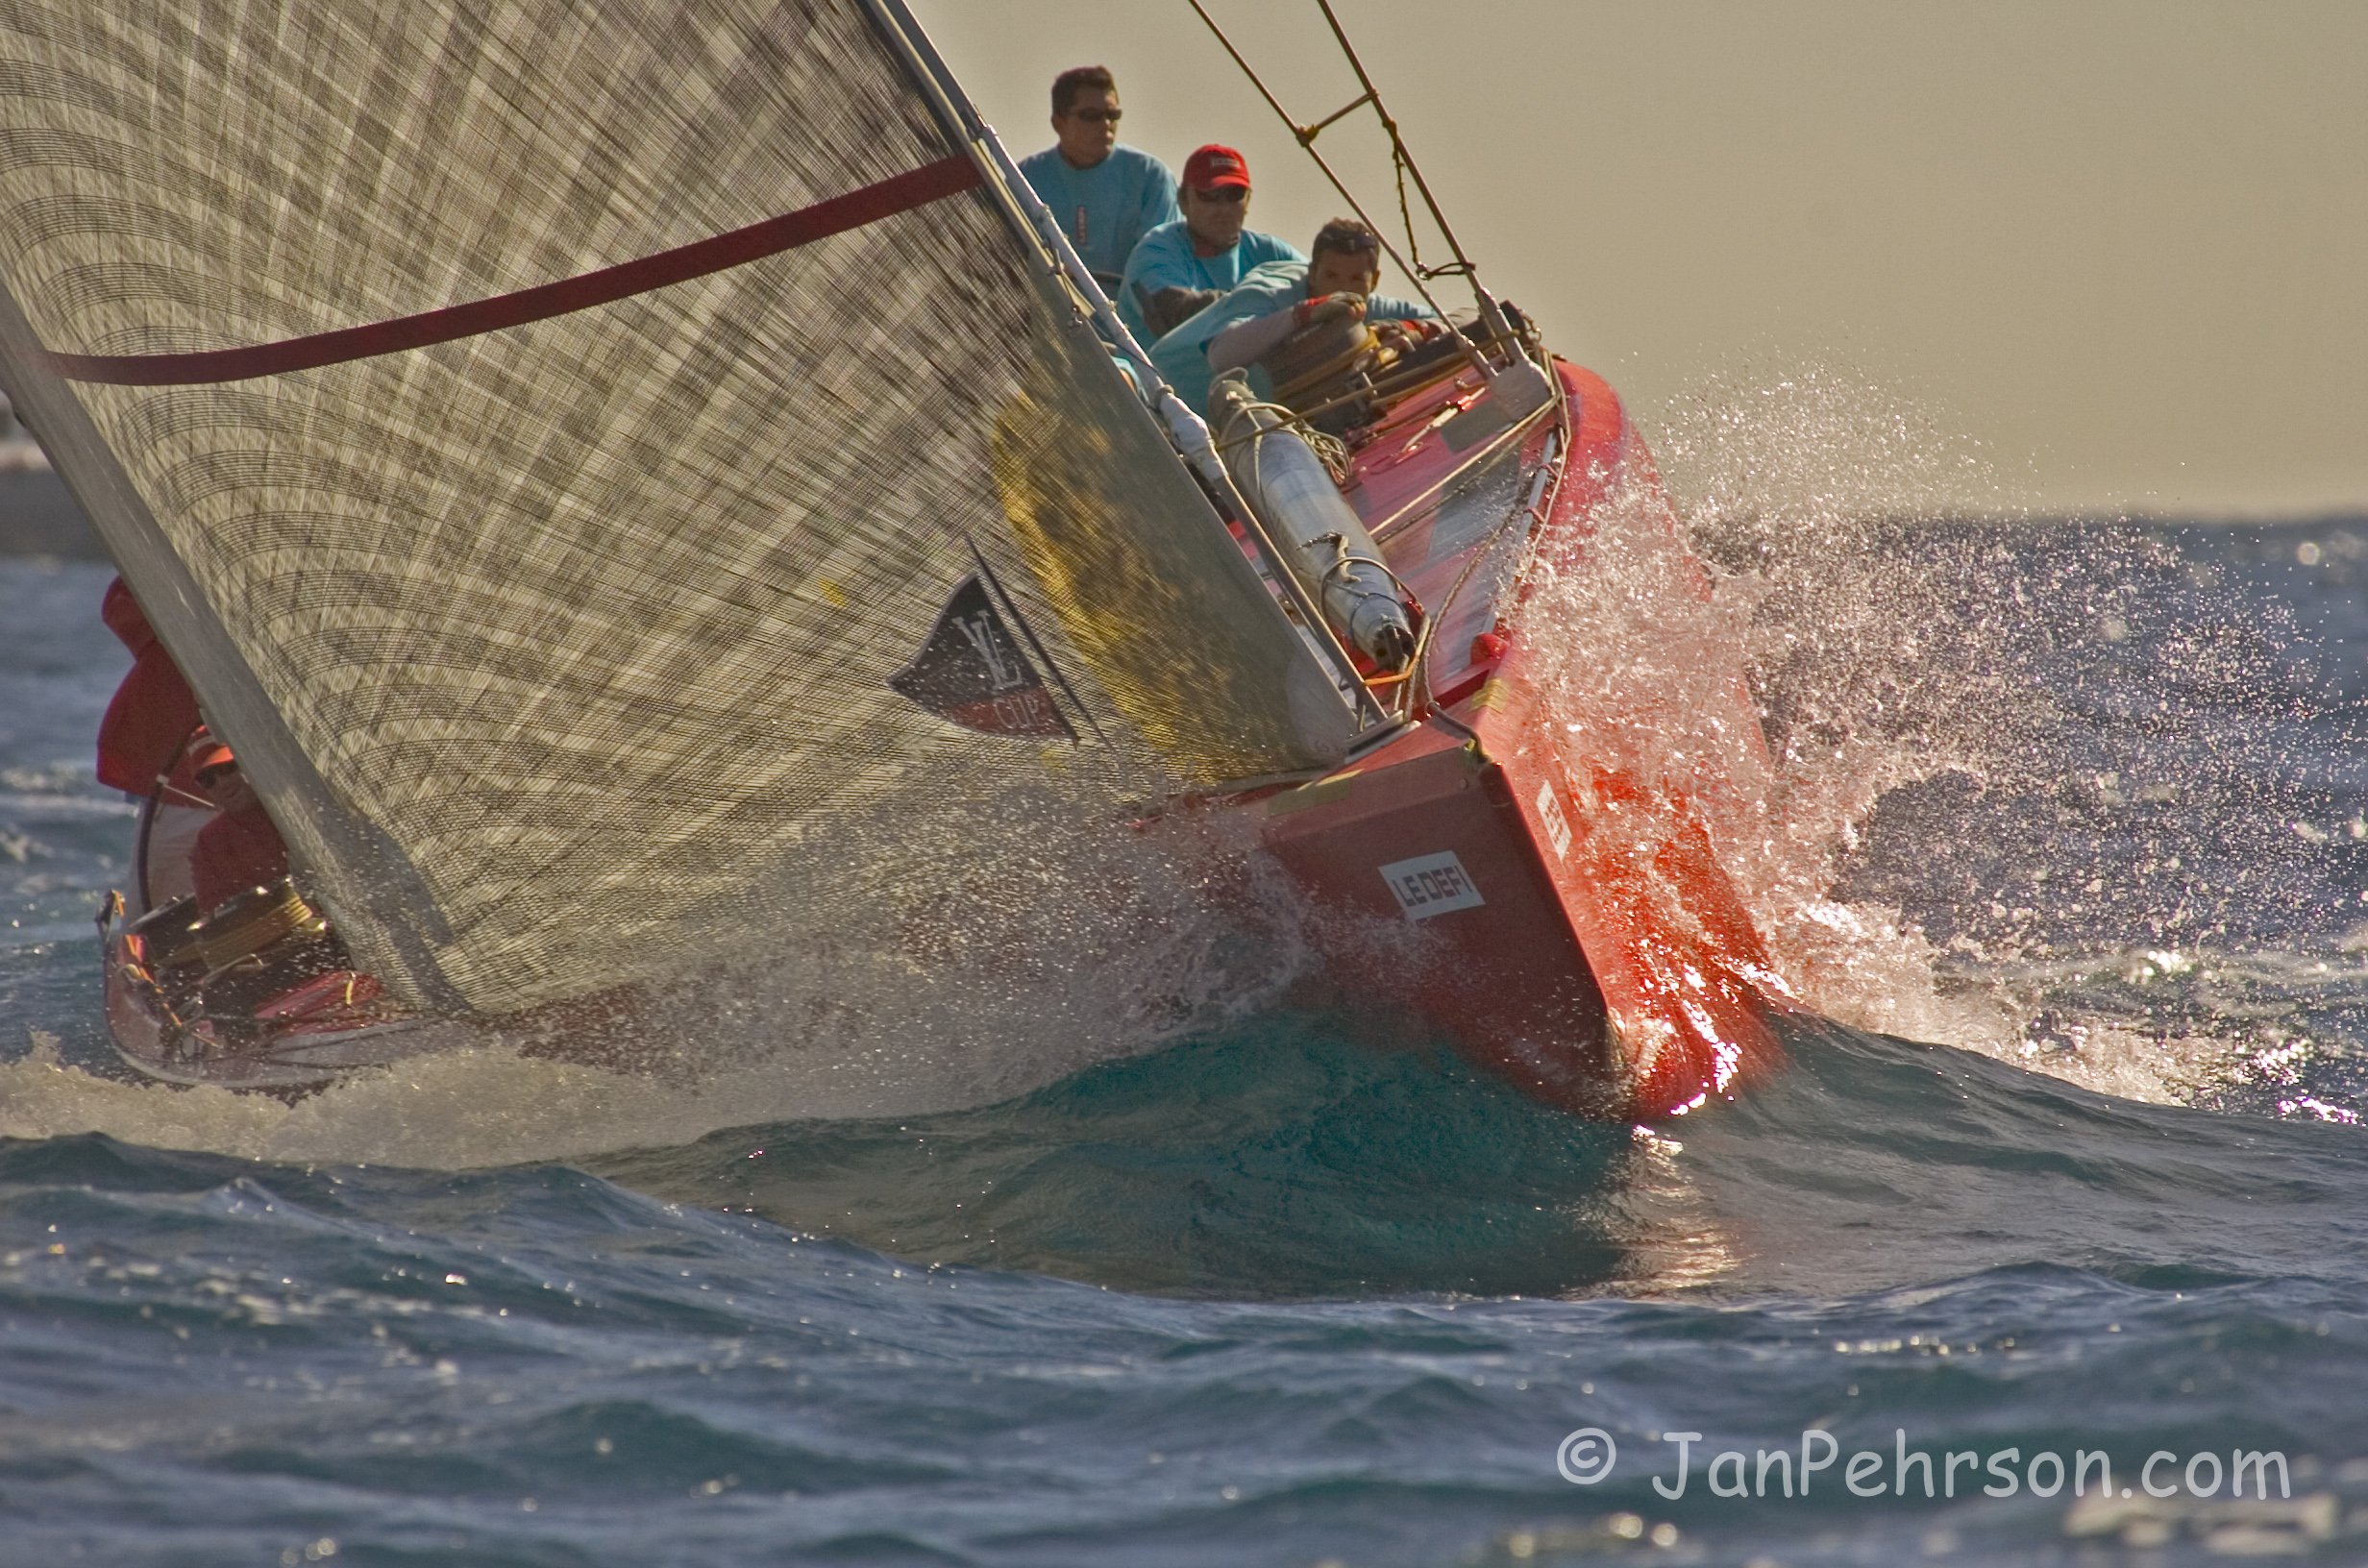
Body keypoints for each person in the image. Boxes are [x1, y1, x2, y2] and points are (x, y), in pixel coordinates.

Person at [1149, 216, 1438, 417]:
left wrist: (1410, 328)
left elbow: (1453, 318)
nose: (1342, 288)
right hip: (1157, 396)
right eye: (1331, 275)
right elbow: (1221, 356)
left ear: (1373, 281)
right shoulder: (1271, 291)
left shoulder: (1364, 305)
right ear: (1312, 273)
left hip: (1230, 421)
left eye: (1355, 279)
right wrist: (1303, 314)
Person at [1114, 144, 1304, 342]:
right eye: (1209, 195)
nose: (1223, 208)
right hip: (1151, 371)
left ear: (1248, 201)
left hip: (1251, 371)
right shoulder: (1156, 250)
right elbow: (1172, 314)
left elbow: (1322, 286)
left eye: (1233, 195)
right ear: (1183, 201)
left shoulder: (1272, 252)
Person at [1016, 66, 1178, 288]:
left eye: (1113, 116)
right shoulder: (1027, 178)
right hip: (1047, 316)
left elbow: (1160, 266)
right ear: (1058, 122)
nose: (1106, 125)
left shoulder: (1150, 177)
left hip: (1126, 320)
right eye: (1091, 116)